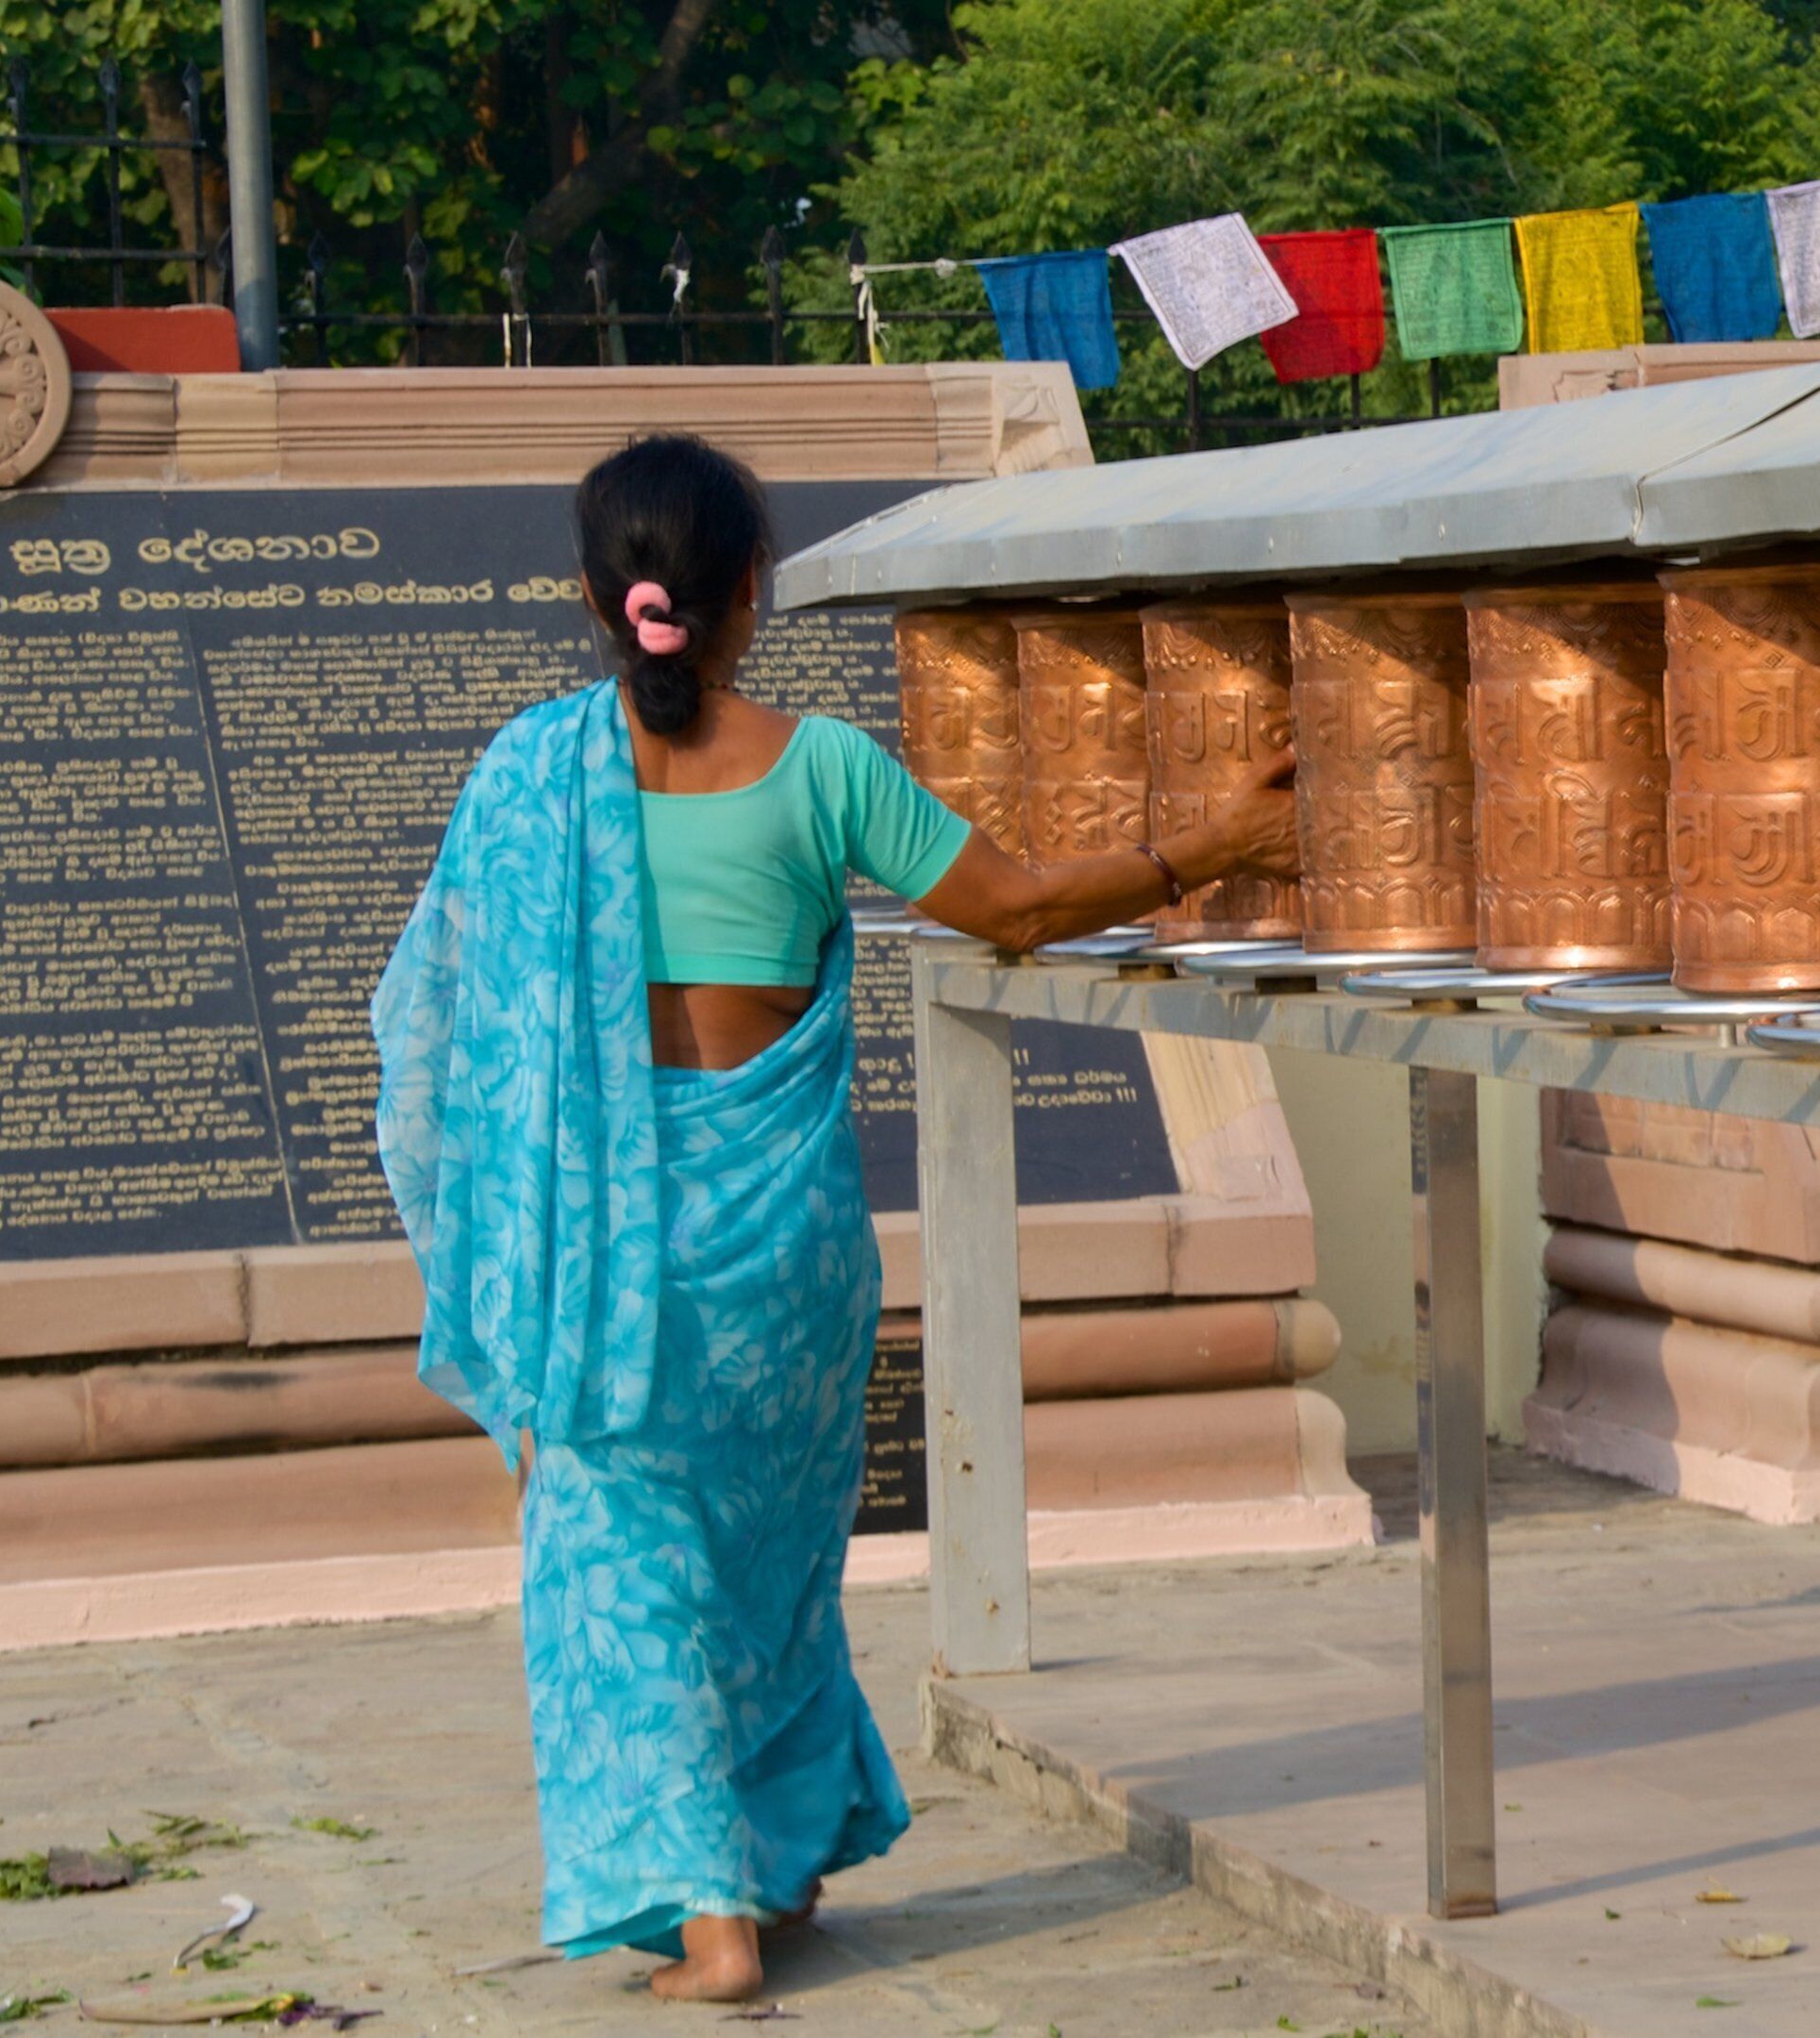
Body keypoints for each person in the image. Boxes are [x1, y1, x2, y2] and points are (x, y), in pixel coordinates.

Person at [372, 434, 1296, 2003]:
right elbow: (1011, 907)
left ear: (591, 597)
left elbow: (438, 1027)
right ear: (753, 588)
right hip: (781, 1258)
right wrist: (1207, 841)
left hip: (593, 1252)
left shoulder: (528, 776)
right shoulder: (821, 767)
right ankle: (777, 1858)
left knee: (619, 1559)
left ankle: (709, 1914)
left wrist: (505, 1264)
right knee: (772, 1559)